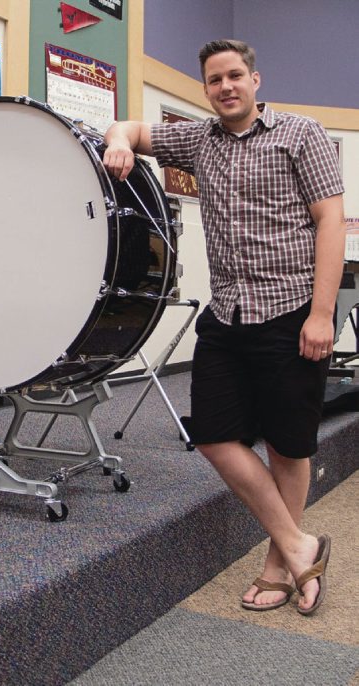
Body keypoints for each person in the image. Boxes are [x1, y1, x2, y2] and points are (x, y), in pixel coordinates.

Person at [103, 39, 345, 615]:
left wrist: (320, 313)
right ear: (206, 90)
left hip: (290, 311)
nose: (226, 87)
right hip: (229, 313)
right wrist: (117, 141)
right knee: (212, 434)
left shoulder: (300, 134)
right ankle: (298, 543)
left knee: (287, 445)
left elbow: (331, 221)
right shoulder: (197, 139)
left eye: (235, 75)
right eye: (214, 81)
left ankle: (275, 563)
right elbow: (129, 129)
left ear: (255, 80)